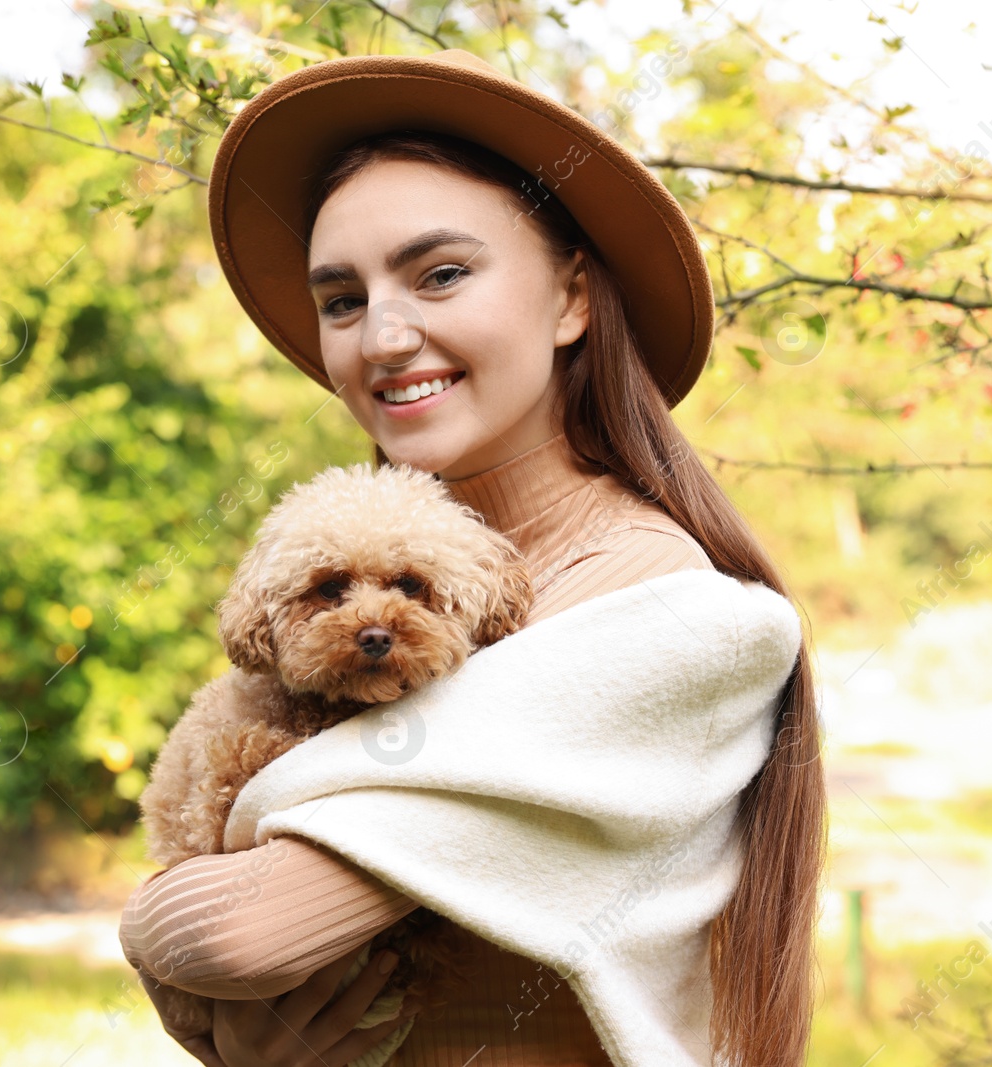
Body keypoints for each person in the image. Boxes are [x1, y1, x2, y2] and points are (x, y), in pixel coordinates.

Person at [119, 49, 824, 1067]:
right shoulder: (377, 603)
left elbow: (240, 933)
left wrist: (145, 932)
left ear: (573, 298)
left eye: (440, 273)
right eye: (342, 299)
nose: (384, 336)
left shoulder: (666, 617)